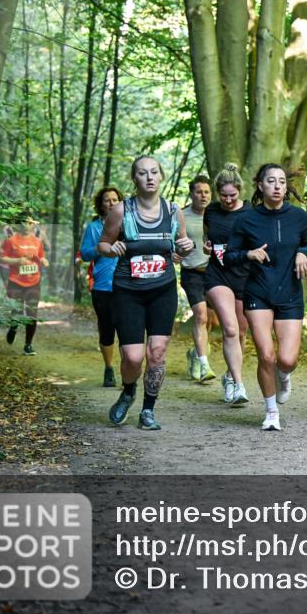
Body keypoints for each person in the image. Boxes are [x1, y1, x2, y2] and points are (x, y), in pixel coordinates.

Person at [97, 156, 195, 430]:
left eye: (154, 172)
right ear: (134, 178)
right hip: (128, 291)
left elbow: (181, 245)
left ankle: (148, 410)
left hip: (162, 290)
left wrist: (185, 247)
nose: (149, 177)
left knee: (157, 353)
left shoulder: (173, 211)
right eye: (143, 173)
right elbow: (102, 244)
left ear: (161, 176)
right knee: (132, 357)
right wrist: (111, 249)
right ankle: (129, 391)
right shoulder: (121, 211)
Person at [226, 163, 307, 432]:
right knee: (266, 355)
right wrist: (248, 254)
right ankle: (271, 412)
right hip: (258, 292)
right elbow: (229, 256)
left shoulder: (298, 216)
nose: (277, 186)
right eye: (272, 181)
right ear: (260, 186)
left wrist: (303, 253)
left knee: (286, 360)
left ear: (286, 187)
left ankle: (283, 376)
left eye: (282, 182)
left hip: (290, 292)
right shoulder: (246, 219)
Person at [203, 163, 252, 406]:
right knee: (230, 329)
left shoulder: (251, 211)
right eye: (224, 195)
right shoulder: (211, 210)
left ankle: (230, 376)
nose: (228, 200)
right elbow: (208, 236)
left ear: (240, 191)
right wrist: (207, 246)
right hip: (218, 274)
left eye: (233, 195)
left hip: (244, 275)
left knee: (241, 331)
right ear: (217, 193)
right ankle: (238, 383)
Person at [79, 186, 124, 387]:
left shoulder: (128, 224)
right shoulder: (94, 227)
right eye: (107, 200)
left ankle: (127, 369)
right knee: (107, 329)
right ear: (101, 204)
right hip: (103, 286)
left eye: (115, 199)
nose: (111, 203)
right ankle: (108, 368)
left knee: (126, 329)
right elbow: (85, 254)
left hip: (127, 284)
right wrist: (101, 247)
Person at [180, 174, 217, 382]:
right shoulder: (181, 216)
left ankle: (195, 353)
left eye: (206, 192)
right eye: (199, 192)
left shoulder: (217, 215)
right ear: (191, 194)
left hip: (215, 273)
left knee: (211, 321)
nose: (203, 196)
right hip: (192, 272)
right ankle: (204, 366)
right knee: (201, 316)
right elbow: (172, 243)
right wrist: (176, 253)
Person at [0, 213, 48, 355]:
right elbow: (2, 258)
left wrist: (44, 261)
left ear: (33, 225)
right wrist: (17, 261)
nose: (26, 225)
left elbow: (41, 257)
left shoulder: (37, 241)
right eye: (22, 222)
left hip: (34, 281)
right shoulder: (11, 240)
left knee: (32, 312)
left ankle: (28, 345)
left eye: (29, 222)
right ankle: (13, 327)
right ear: (18, 224)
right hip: (16, 281)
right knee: (17, 310)